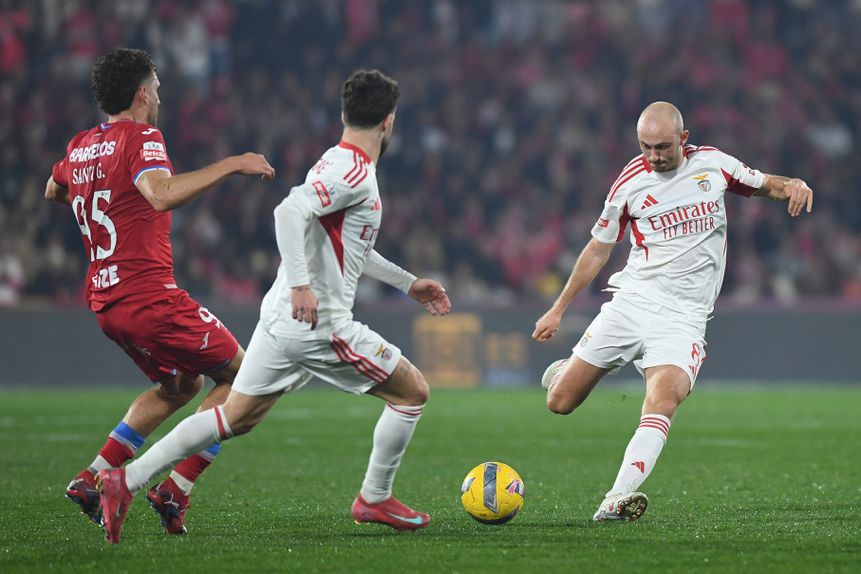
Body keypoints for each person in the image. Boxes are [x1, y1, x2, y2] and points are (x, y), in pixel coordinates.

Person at [96, 69, 452, 543]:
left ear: (345, 115)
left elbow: (348, 246)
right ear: (389, 122)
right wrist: (303, 284)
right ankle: (374, 498)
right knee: (413, 393)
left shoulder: (332, 160)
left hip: (280, 319)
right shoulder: (353, 173)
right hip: (319, 323)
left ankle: (128, 479)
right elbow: (287, 211)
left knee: (231, 418)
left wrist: (407, 284)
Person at [532, 102, 813, 522]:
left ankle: (616, 497)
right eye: (645, 147)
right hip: (633, 301)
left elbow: (766, 184)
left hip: (683, 317)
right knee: (560, 402)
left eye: (663, 147)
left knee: (665, 398)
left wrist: (795, 184)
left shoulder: (714, 165)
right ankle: (570, 369)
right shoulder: (628, 183)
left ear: (683, 138)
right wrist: (558, 309)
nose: (654, 156)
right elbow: (599, 247)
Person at [45, 48, 275, 534]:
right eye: (157, 89)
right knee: (247, 378)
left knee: (182, 385)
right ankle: (174, 487)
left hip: (107, 303)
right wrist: (233, 163)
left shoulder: (81, 145)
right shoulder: (142, 136)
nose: (159, 99)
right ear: (143, 92)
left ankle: (91, 477)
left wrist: (92, 192)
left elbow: (53, 189)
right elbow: (160, 193)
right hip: (150, 298)